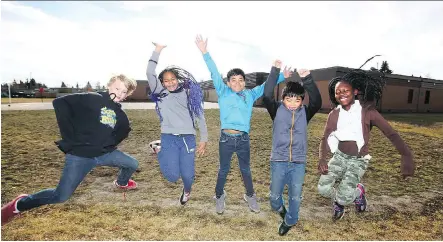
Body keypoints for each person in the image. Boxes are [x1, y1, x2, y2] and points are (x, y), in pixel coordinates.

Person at [2, 74, 139, 226]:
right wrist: (69, 136)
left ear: (127, 94)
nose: (120, 93)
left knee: (132, 164)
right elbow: (60, 103)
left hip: (104, 154)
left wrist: (110, 144)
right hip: (80, 156)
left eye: (124, 91)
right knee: (61, 196)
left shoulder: (120, 114)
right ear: (109, 85)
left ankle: (121, 182)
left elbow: (124, 130)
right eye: (117, 88)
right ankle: (18, 205)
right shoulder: (92, 98)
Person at [195, 35, 286, 214]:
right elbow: (214, 72)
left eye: (241, 80)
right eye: (233, 80)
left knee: (246, 169)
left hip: (243, 139)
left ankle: (250, 195)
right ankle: (219, 195)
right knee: (223, 170)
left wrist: (282, 74)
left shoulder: (250, 94)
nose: (237, 83)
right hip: (226, 140)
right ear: (228, 82)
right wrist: (205, 52)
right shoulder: (223, 92)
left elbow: (268, 84)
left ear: (245, 82)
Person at [317, 69, 415, 221]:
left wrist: (406, 155)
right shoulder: (334, 114)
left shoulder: (368, 112)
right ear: (334, 95)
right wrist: (322, 159)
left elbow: (391, 133)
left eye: (346, 90)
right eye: (338, 92)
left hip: (358, 159)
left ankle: (355, 194)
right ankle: (346, 195)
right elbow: (324, 138)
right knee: (322, 189)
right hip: (339, 157)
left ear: (355, 91)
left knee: (343, 198)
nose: (341, 94)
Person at [263, 60, 322, 235]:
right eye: (289, 99)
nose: (293, 102)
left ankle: (290, 220)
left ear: (301, 101)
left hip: (298, 162)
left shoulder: (306, 112)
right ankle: (281, 209)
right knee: (274, 198)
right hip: (279, 160)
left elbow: (317, 101)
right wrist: (275, 71)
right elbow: (267, 95)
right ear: (283, 99)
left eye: (297, 99)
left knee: (295, 196)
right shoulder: (276, 110)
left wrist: (308, 79)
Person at [146, 42, 208, 205]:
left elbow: (200, 115)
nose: (170, 83)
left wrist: (204, 138)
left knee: (188, 176)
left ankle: (187, 191)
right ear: (162, 82)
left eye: (172, 79)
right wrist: (157, 51)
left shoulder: (188, 93)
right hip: (169, 138)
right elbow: (149, 72)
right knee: (172, 177)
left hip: (188, 138)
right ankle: (159, 149)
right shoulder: (160, 93)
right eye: (166, 80)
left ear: (177, 79)